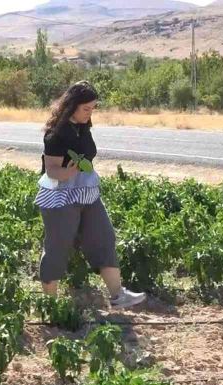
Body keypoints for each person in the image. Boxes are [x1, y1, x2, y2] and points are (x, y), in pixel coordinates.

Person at [35, 81, 146, 309]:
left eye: (93, 108)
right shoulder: (56, 134)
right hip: (60, 196)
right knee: (57, 247)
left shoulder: (83, 127)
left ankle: (118, 296)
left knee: (103, 237)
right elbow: (52, 170)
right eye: (86, 108)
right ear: (72, 106)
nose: (90, 113)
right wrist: (71, 171)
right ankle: (50, 305)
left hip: (87, 194)